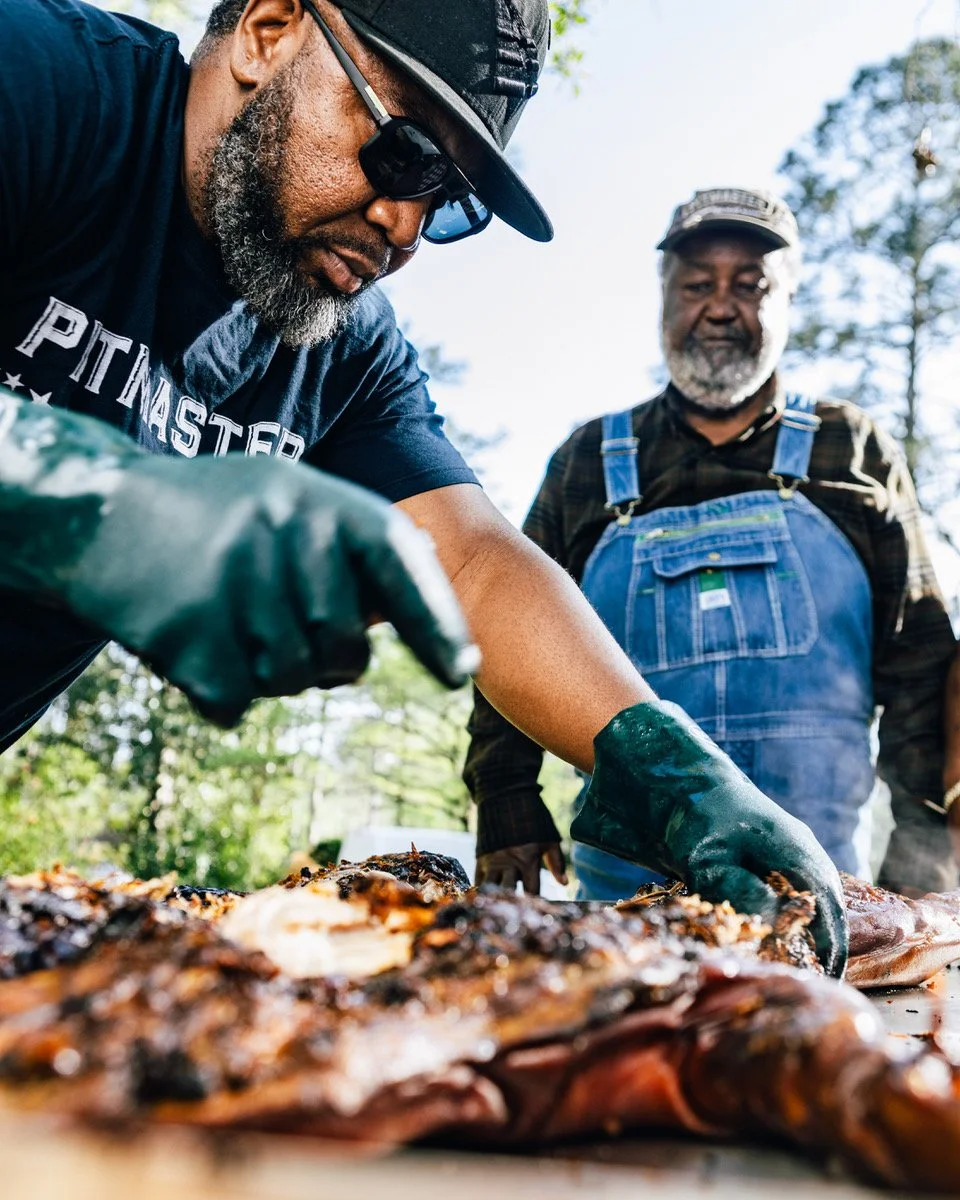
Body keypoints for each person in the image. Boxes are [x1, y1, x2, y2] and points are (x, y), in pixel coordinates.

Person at [0, 5, 847, 972]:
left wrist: (655, 752)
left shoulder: (341, 341)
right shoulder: (39, 87)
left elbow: (475, 563)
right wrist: (91, 497)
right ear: (270, 31)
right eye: (401, 151)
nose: (403, 228)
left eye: (448, 196)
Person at [465, 187, 958, 901]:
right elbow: (506, 620)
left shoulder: (851, 448)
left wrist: (919, 868)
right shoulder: (587, 460)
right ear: (664, 297)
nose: (721, 306)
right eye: (698, 284)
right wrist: (504, 797)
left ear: (788, 302)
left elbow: (919, 666)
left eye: (751, 286)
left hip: (823, 900)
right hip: (623, 906)